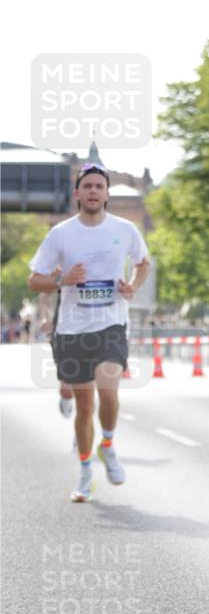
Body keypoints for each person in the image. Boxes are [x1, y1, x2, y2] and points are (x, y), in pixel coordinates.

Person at [27, 163, 150, 503]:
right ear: (78, 194)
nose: (94, 191)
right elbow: (34, 279)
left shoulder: (125, 230)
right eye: (88, 186)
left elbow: (143, 263)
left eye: (100, 186)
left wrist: (133, 286)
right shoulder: (61, 234)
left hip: (111, 323)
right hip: (71, 329)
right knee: (84, 406)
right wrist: (62, 280)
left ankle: (107, 444)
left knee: (108, 392)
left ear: (107, 194)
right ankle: (84, 472)